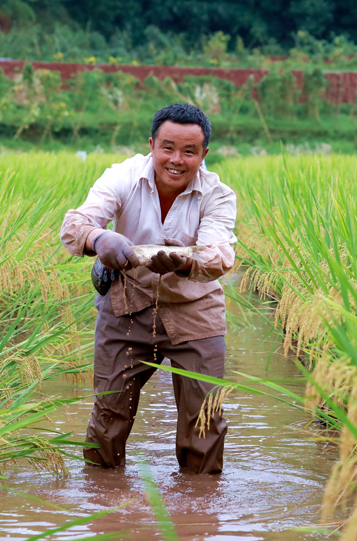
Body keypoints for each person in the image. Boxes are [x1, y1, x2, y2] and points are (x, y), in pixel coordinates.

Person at [60, 103, 237, 474]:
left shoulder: (218, 195)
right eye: (168, 148)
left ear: (203, 155)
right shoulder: (123, 176)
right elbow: (76, 224)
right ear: (152, 145)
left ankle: (198, 515)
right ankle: (104, 502)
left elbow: (219, 254)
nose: (176, 160)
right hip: (128, 302)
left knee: (204, 422)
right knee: (108, 417)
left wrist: (186, 262)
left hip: (195, 309)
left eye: (189, 152)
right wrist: (100, 238)